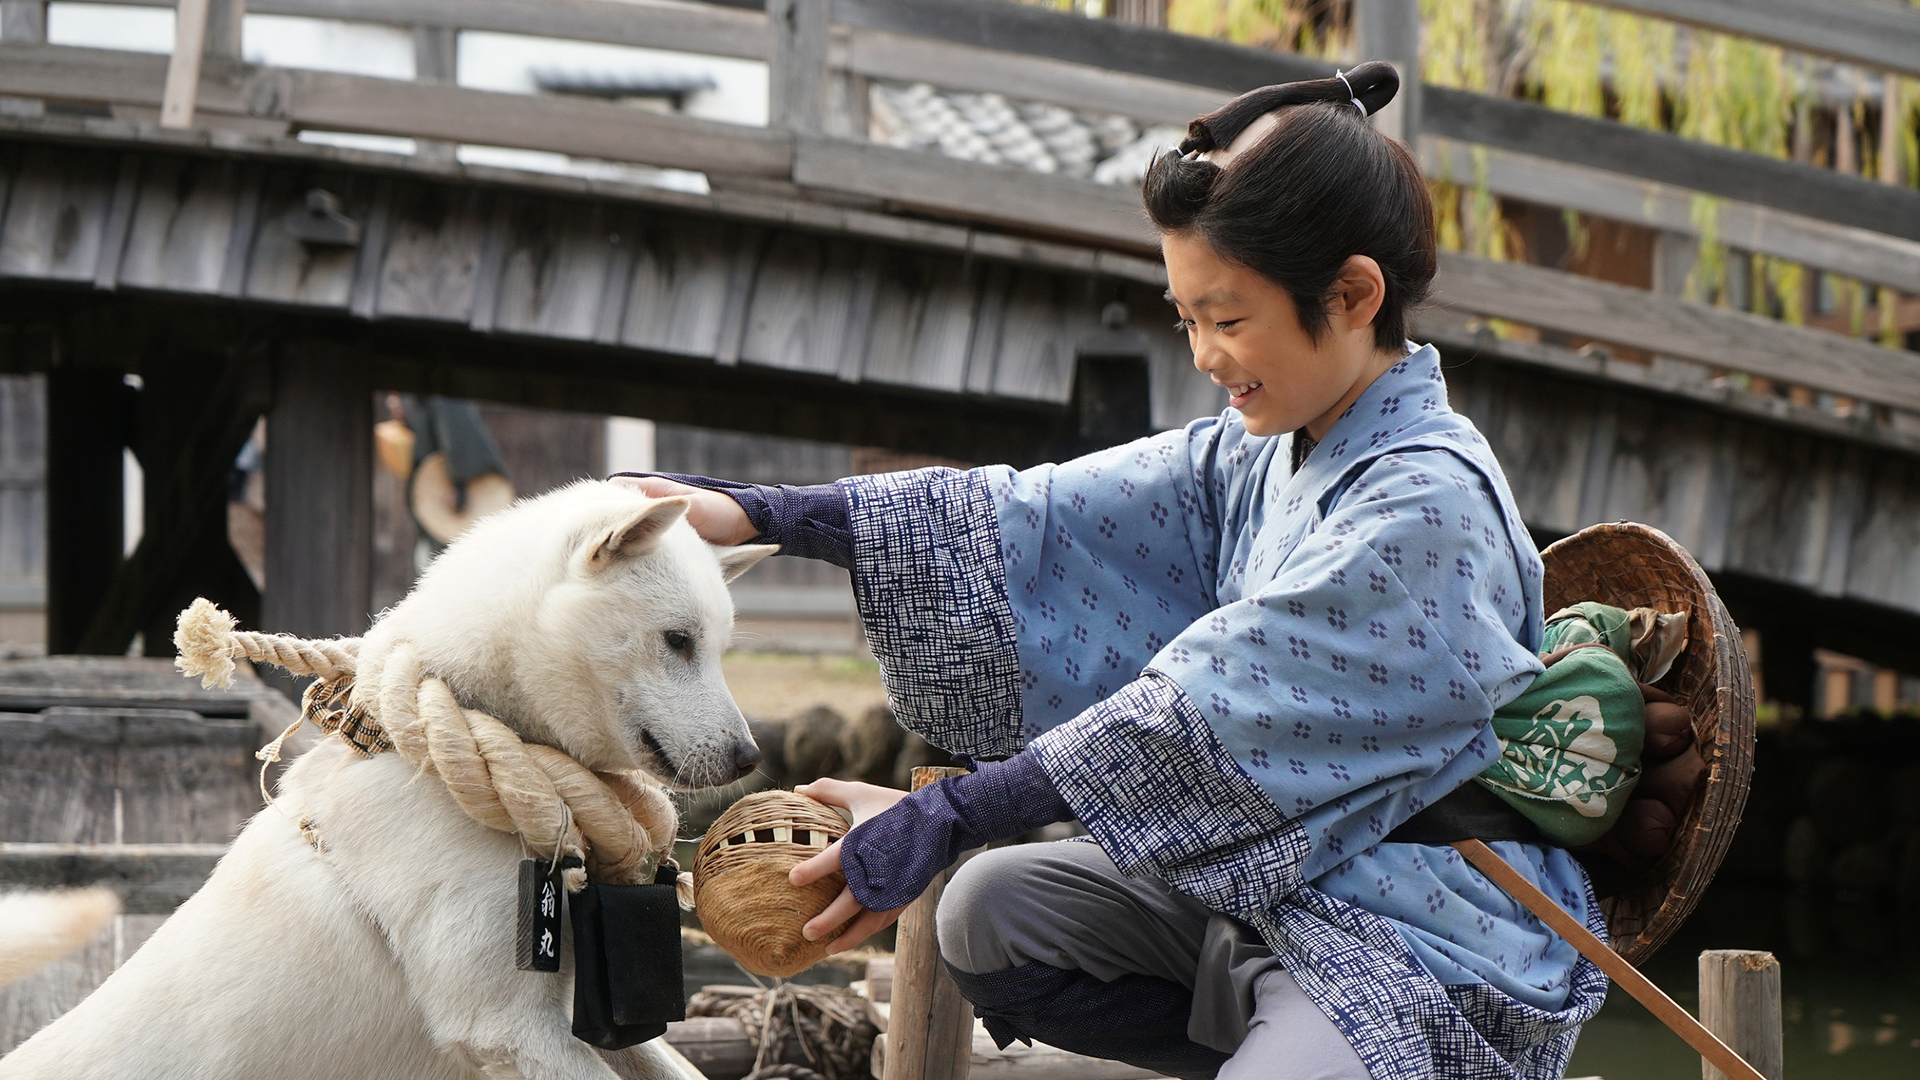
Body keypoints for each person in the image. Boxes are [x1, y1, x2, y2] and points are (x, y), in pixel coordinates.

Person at [616, 62, 1606, 1080]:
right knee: (988, 913)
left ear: (1353, 295)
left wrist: (943, 815)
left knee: (982, 868)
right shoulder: (1264, 446)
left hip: (1417, 927)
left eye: (1227, 319)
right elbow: (1036, 516)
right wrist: (763, 513)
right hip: (1269, 887)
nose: (1204, 356)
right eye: (1188, 320)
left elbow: (1200, 713)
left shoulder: (1425, 507)